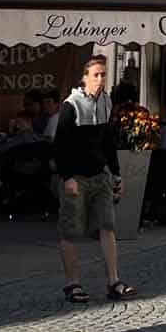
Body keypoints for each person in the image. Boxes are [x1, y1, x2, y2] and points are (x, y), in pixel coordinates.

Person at [54, 55, 136, 303]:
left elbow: (108, 141)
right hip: (76, 177)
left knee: (107, 227)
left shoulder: (106, 102)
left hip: (100, 175)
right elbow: (60, 144)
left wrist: (117, 173)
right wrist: (67, 177)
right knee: (71, 231)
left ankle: (114, 281)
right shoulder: (71, 105)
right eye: (96, 75)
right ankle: (73, 284)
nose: (100, 79)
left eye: (103, 74)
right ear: (85, 78)